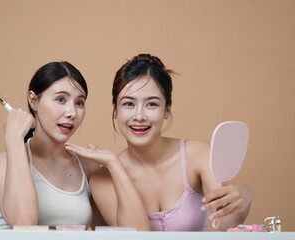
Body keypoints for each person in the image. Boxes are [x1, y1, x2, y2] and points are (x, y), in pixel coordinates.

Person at [64, 54, 254, 231]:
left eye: (152, 104)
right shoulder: (103, 180)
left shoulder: (197, 154)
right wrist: (115, 166)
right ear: (115, 111)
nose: (139, 116)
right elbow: (136, 238)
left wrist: (245, 194)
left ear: (166, 111)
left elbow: (227, 223)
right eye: (128, 104)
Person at [0, 61, 102, 229]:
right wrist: (14, 138)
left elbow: (112, 233)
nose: (71, 113)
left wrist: (114, 166)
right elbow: (24, 222)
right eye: (61, 99)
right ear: (33, 101)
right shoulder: (0, 164)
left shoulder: (88, 168)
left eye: (79, 103)